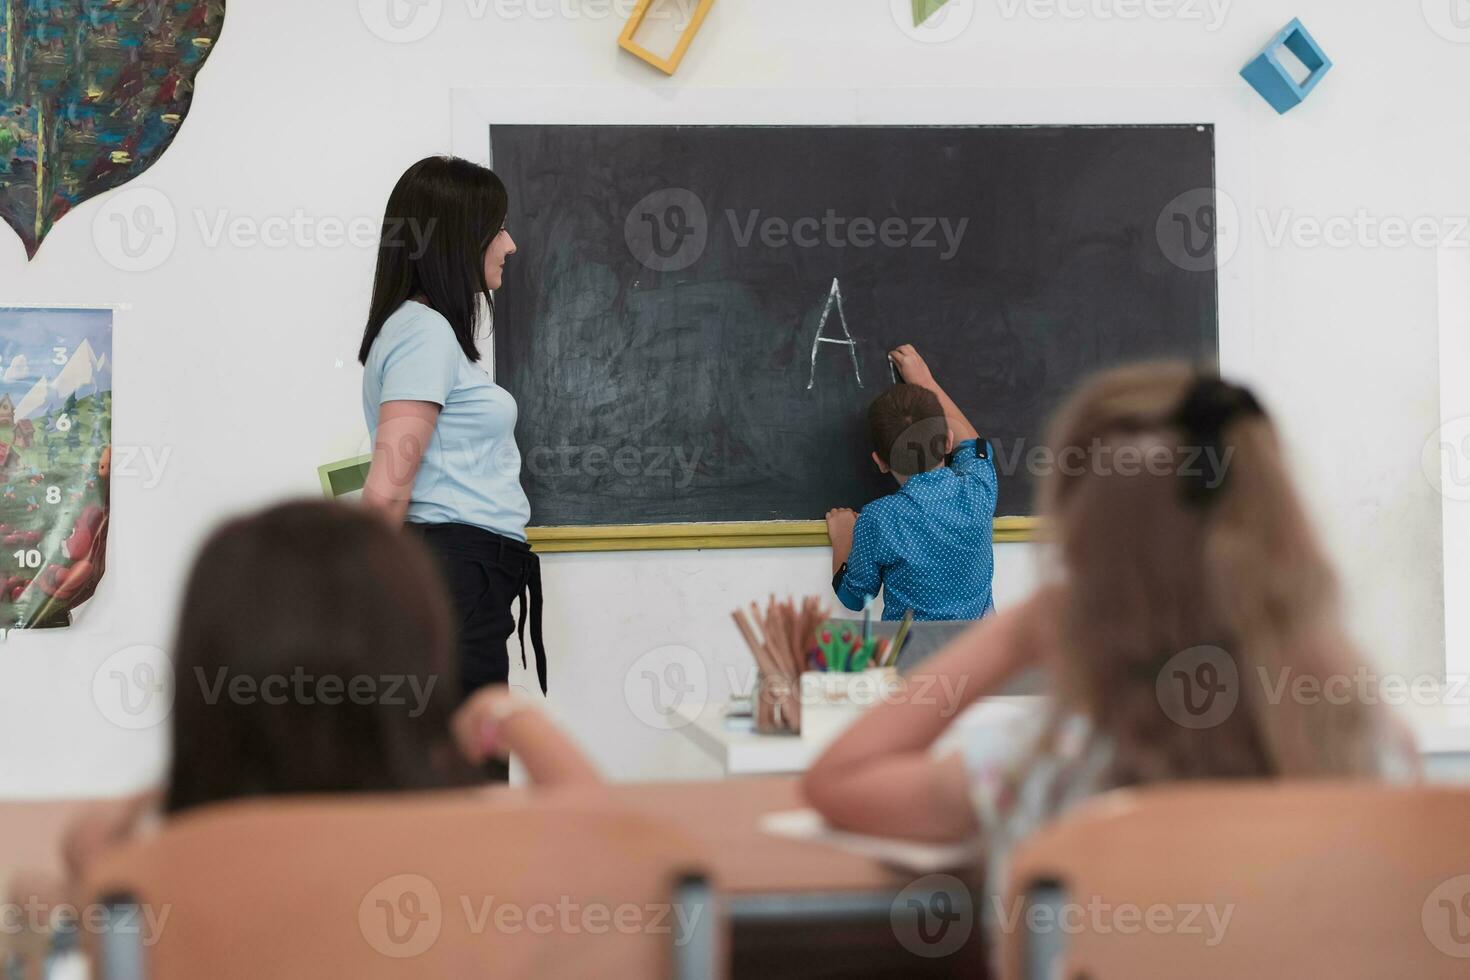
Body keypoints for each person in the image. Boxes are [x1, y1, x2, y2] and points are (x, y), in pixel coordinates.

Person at [803, 363, 1417, 913]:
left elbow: (836, 783)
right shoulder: (1378, 753)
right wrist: (930, 379)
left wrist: (1020, 632)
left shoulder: (1046, 772)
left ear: (1082, 557)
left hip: (923, 672)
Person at [5, 502, 596, 955]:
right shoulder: (489, 860)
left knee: (36, 897)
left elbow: (75, 853)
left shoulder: (145, 880)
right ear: (419, 657)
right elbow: (610, 834)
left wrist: (193, 774)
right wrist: (509, 714)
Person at [357, 155, 547, 701]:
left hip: (460, 577)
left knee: (459, 767)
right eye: (499, 227)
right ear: (460, 236)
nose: (510, 244)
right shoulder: (425, 333)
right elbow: (389, 487)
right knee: (466, 774)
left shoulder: (419, 331)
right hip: (452, 577)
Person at [825, 344, 998, 621]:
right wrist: (925, 382)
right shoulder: (978, 489)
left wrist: (843, 535)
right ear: (948, 442)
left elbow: (855, 597)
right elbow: (973, 445)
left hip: (913, 661)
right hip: (981, 656)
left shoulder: (879, 519)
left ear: (879, 461)